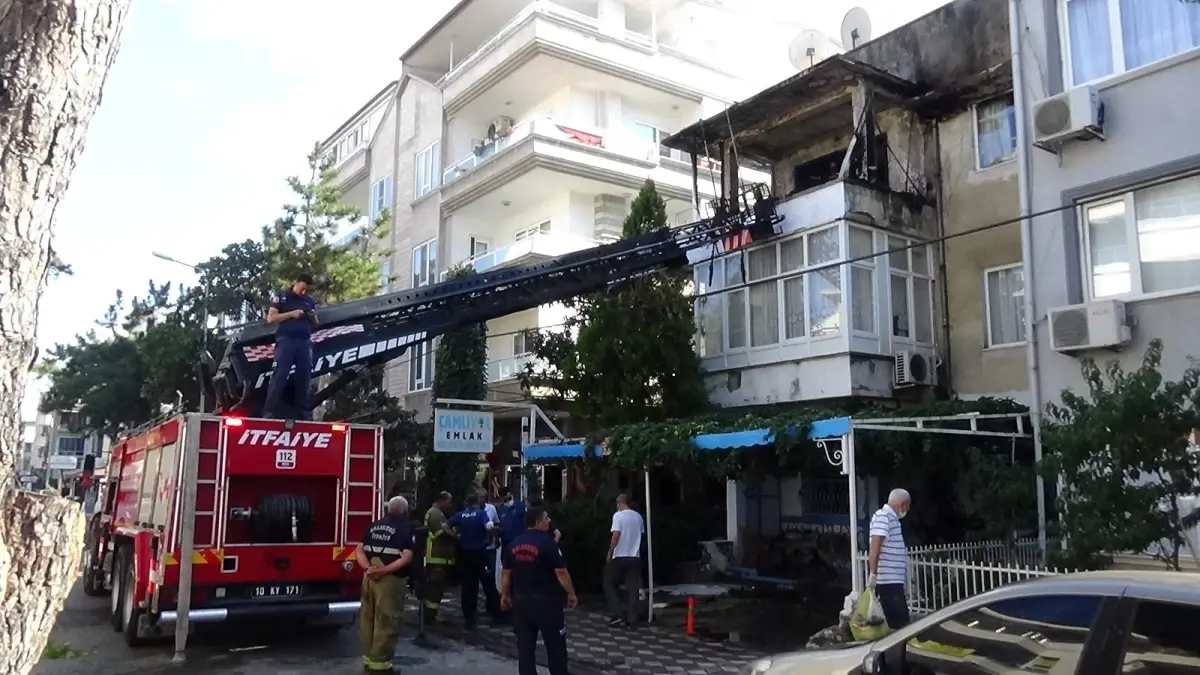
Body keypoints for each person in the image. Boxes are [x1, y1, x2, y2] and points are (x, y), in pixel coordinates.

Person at [501, 503, 577, 675]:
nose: (549, 522)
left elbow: (506, 573)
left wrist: (505, 595)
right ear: (537, 522)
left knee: (525, 650)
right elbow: (561, 572)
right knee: (556, 647)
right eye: (546, 518)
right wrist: (571, 593)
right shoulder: (548, 544)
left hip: (521, 603)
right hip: (547, 604)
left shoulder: (513, 544)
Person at [355, 496, 416, 674]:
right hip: (389, 581)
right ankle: (380, 665)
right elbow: (406, 558)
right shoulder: (406, 528)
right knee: (388, 619)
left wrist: (368, 569)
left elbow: (359, 549)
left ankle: (368, 658)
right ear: (404, 511)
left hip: (369, 579)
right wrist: (383, 571)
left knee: (368, 618)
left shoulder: (372, 526)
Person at [264, 273, 318, 420]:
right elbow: (271, 318)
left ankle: (302, 412)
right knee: (280, 374)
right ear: (296, 283)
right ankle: (270, 411)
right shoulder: (283, 297)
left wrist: (312, 316)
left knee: (304, 377)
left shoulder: (309, 301)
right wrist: (292, 314)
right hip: (286, 340)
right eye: (302, 288)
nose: (304, 292)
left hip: (304, 341)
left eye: (307, 289)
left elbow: (315, 323)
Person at [444, 493, 502, 628]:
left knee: (468, 585)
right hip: (479, 553)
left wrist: (457, 536)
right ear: (476, 502)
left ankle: (468, 615)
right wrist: (490, 538)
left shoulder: (460, 515)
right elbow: (489, 526)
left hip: (465, 554)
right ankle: (496, 612)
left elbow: (445, 526)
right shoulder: (481, 514)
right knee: (487, 582)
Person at [868, 488, 912, 630]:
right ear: (903, 505)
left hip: (893, 580)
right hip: (888, 580)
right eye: (907, 506)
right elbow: (875, 546)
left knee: (899, 623)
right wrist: (873, 574)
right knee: (900, 624)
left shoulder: (892, 518)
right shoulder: (884, 516)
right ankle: (896, 651)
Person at [603, 493, 645, 628]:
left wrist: (610, 552)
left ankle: (618, 614)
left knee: (608, 582)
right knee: (633, 588)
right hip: (634, 556)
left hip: (620, 555)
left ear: (619, 503)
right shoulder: (638, 517)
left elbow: (616, 535)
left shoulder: (618, 516)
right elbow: (640, 535)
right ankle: (632, 619)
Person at [422, 491, 456, 626]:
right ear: (442, 500)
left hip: (435, 556)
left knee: (434, 587)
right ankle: (430, 616)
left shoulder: (433, 513)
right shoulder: (436, 514)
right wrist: (457, 535)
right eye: (448, 501)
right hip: (437, 556)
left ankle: (429, 614)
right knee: (436, 588)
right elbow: (443, 533)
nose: (450, 504)